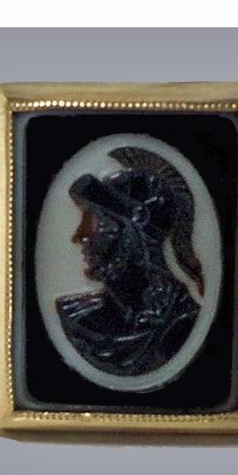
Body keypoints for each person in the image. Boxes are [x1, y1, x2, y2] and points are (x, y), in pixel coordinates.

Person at [56, 146, 205, 377]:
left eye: (96, 222)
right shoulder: (79, 319)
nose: (79, 236)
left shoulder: (182, 324)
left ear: (134, 237)